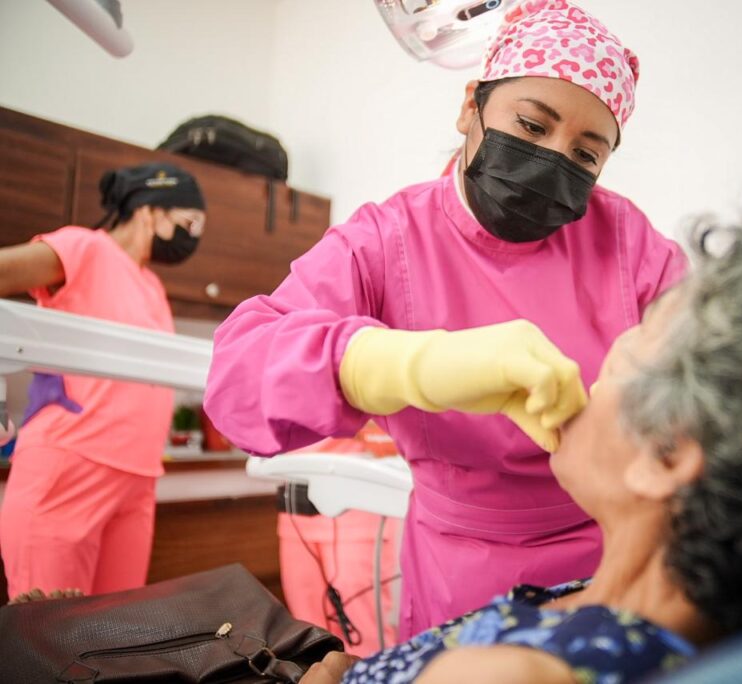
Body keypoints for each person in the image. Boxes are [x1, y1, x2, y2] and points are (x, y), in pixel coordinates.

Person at [293, 201, 742, 683]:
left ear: (666, 452)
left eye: (623, 353)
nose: (589, 377)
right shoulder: (663, 622)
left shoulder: (505, 675)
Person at [204, 0, 686, 638]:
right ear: (471, 107)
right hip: (464, 575)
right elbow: (238, 378)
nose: (553, 159)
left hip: (620, 558)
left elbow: (713, 372)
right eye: (532, 126)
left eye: (587, 154)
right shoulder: (385, 240)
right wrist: (403, 364)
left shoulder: (627, 241)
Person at [0, 162, 207, 598]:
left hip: (137, 481)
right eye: (189, 221)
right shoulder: (85, 248)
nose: (194, 234)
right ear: (150, 210)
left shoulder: (152, 286)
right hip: (71, 467)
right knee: (51, 642)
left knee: (115, 642)